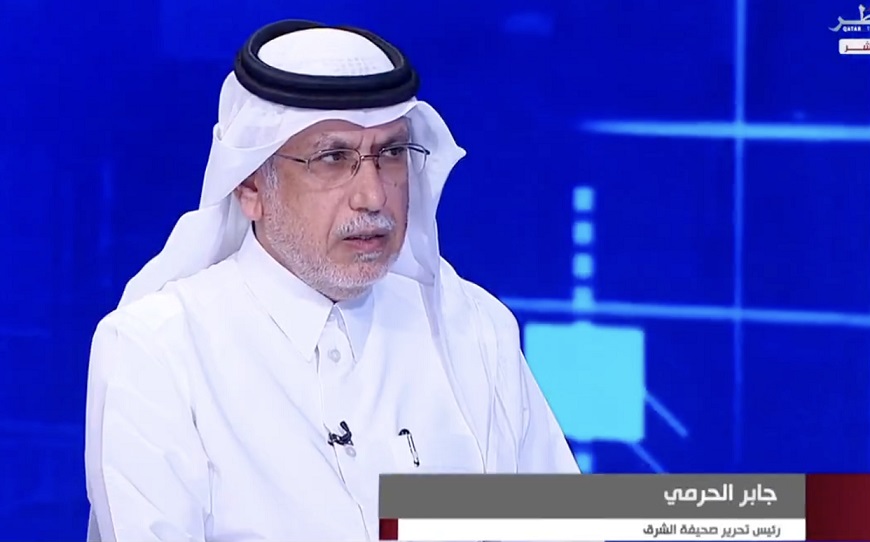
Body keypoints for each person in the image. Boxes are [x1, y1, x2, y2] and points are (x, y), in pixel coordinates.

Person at [84, 19, 578, 542]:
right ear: (250, 185)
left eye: (391, 154)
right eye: (333, 159)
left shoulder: (474, 329)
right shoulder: (158, 351)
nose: (373, 196)